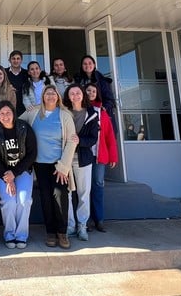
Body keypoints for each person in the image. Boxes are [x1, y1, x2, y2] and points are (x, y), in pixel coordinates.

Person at [19, 84, 78, 249]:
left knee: (60, 198)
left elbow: (71, 142)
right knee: (45, 198)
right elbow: (16, 123)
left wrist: (64, 166)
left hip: (59, 165)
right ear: (43, 97)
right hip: (40, 164)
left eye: (53, 93)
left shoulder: (65, 115)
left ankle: (62, 232)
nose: (50, 96)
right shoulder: (34, 112)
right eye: (47, 94)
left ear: (58, 97)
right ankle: (50, 233)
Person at [0, 100, 37, 249]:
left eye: (8, 112)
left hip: (22, 171)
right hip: (3, 173)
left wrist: (14, 173)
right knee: (9, 202)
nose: (5, 116)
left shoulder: (24, 128)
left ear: (13, 114)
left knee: (24, 201)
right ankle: (9, 234)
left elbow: (31, 154)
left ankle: (21, 235)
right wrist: (7, 176)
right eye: (2, 113)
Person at [63, 84, 100, 242]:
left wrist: (80, 141)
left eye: (78, 93)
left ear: (82, 95)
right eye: (72, 94)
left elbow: (93, 138)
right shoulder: (64, 113)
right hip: (66, 159)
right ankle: (70, 226)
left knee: (83, 193)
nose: (75, 96)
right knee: (67, 193)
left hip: (83, 158)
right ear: (68, 96)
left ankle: (82, 225)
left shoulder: (91, 113)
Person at [85, 83, 119, 232]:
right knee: (84, 188)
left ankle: (99, 219)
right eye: (88, 90)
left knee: (98, 185)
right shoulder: (81, 110)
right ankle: (85, 220)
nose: (91, 93)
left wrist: (113, 156)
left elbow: (109, 136)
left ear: (96, 93)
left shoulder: (102, 112)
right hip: (85, 155)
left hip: (100, 156)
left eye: (93, 91)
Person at [6, 50, 29, 115]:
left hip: (24, 108)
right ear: (9, 60)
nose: (16, 61)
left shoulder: (26, 73)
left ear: (21, 60)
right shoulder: (4, 73)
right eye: (13, 58)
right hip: (8, 107)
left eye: (18, 58)